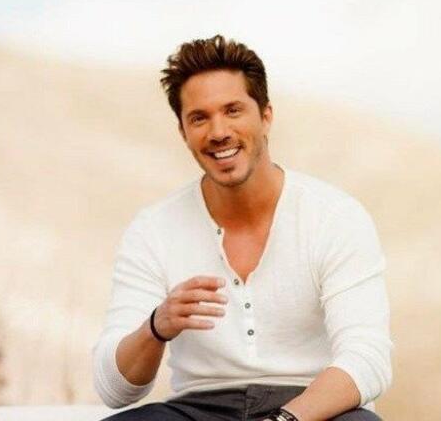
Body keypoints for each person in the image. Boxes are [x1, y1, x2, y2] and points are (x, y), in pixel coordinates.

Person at [92, 35, 392, 421]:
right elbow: (114, 390)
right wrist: (156, 326)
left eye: (233, 110)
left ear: (265, 116)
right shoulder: (153, 229)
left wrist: (283, 420)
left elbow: (367, 359)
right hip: (196, 410)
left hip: (311, 409)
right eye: (199, 118)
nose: (218, 131)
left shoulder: (334, 217)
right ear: (183, 132)